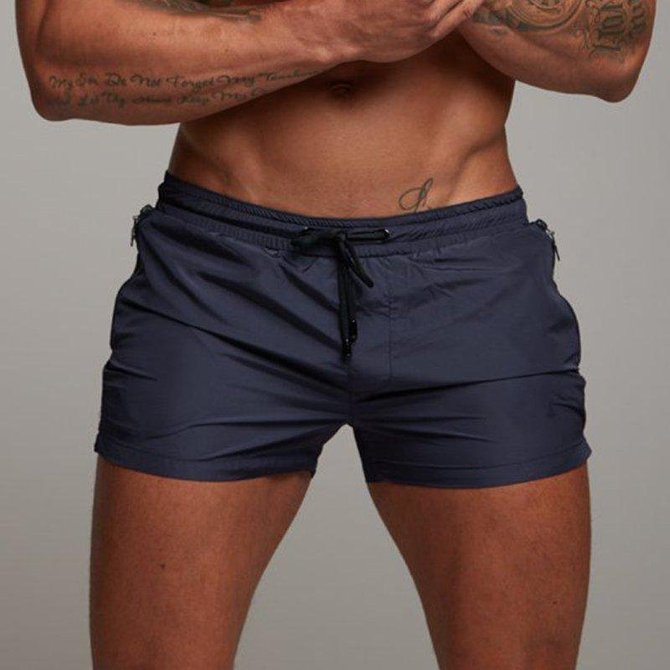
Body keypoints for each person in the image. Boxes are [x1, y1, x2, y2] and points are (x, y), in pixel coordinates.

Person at [16, 1, 655, 668]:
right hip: (220, 286)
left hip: (468, 282)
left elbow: (618, 51)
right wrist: (331, 26)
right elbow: (57, 63)